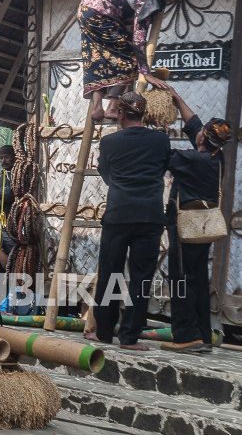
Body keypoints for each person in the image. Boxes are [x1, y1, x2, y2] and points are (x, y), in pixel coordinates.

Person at [90, 92, 170, 350]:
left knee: (110, 275)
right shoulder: (161, 140)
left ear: (121, 114)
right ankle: (129, 338)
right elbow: (163, 168)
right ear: (143, 113)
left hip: (118, 215)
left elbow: (105, 172)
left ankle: (103, 333)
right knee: (141, 279)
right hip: (150, 217)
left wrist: (121, 186)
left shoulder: (110, 141)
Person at [79, 0, 187, 120]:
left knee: (95, 56)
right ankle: (112, 107)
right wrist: (145, 73)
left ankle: (97, 108)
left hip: (85, 7)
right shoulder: (147, 2)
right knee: (131, 60)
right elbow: (138, 39)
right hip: (102, 16)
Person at [161, 88, 231, 353]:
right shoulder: (216, 156)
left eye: (201, 131)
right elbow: (194, 125)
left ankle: (185, 336)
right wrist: (177, 99)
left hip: (185, 227)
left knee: (180, 279)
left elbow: (160, 153)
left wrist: (155, 130)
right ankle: (203, 336)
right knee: (199, 279)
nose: (197, 131)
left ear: (203, 139)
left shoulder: (191, 159)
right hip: (204, 228)